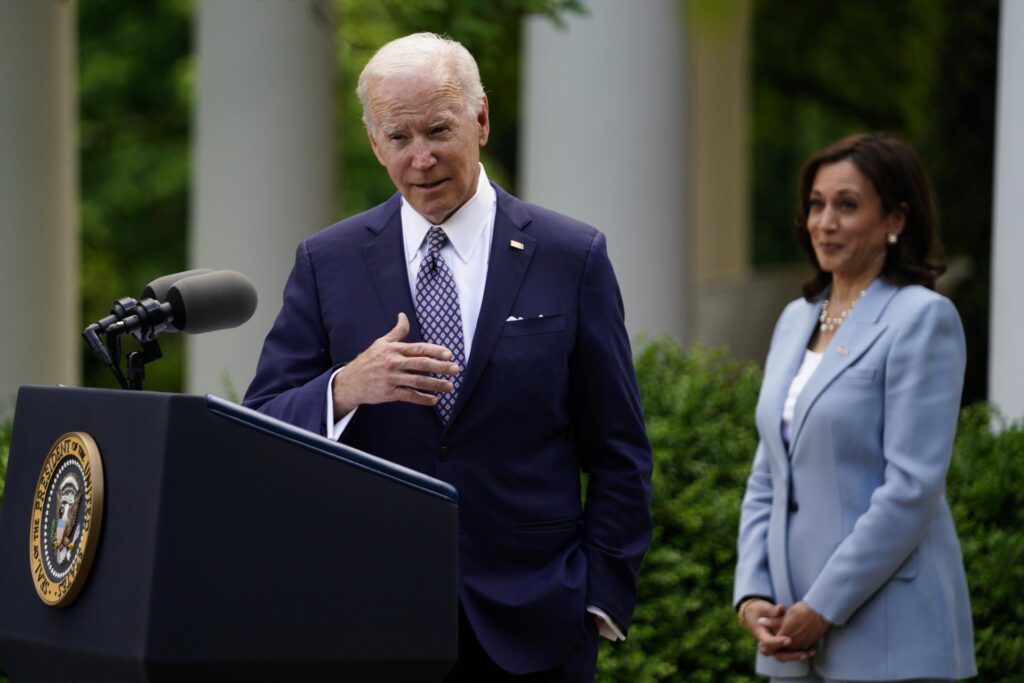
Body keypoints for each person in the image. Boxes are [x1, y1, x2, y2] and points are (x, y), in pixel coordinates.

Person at [243, 32, 652, 682]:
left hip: (537, 628)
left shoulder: (571, 257)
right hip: (368, 625)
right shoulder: (328, 262)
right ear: (375, 141)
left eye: (438, 129)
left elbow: (620, 450)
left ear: (481, 118)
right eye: (399, 137)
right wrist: (345, 387)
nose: (422, 158)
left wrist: (598, 599)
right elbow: (258, 426)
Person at [733, 133, 976, 682]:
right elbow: (767, 475)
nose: (825, 222)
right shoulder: (796, 318)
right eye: (816, 205)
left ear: (895, 219)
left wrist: (822, 608)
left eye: (847, 205)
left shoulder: (922, 319)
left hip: (892, 637)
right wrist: (753, 596)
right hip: (788, 635)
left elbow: (910, 490)